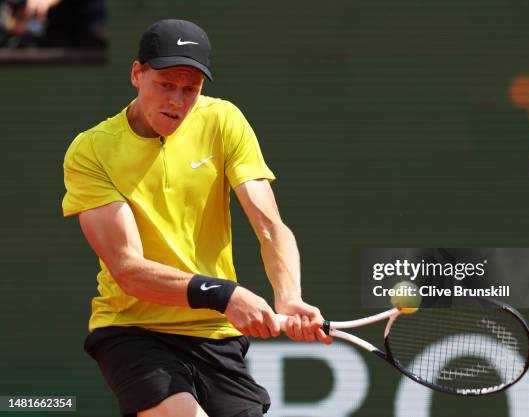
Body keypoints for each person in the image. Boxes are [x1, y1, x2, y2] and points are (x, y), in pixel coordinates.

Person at [62, 19, 330, 417]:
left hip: (214, 334)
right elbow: (128, 269)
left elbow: (270, 226)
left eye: (190, 89)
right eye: (165, 84)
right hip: (133, 329)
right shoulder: (92, 151)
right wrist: (225, 295)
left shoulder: (223, 121)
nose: (176, 100)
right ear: (137, 74)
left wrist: (289, 297)